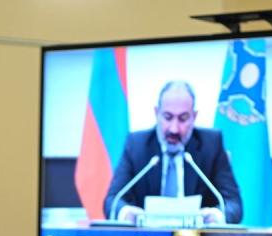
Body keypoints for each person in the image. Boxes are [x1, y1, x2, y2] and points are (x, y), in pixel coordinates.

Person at [102, 81, 242, 225]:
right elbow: (113, 201)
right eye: (168, 117)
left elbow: (234, 204)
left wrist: (216, 216)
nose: (174, 129)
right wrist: (126, 213)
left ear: (194, 116)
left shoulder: (211, 144)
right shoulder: (137, 145)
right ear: (157, 113)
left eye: (183, 118)